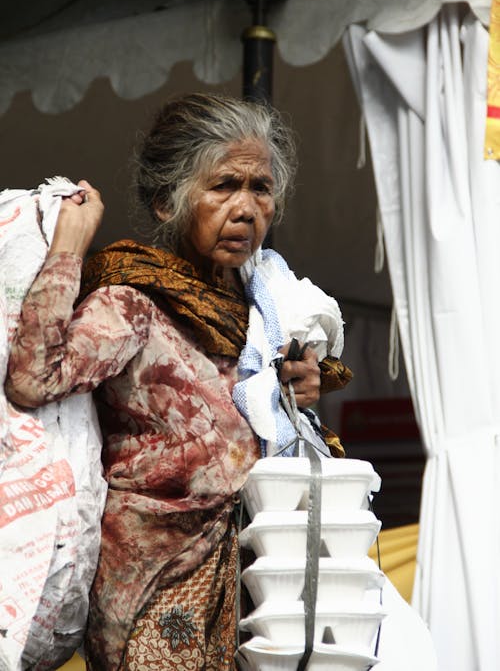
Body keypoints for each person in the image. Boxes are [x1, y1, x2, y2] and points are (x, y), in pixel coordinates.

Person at [5, 93, 347, 670]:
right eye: (223, 187)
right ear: (168, 201)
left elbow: (261, 414)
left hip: (253, 578)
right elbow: (35, 377)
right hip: (156, 585)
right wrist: (67, 250)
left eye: (260, 188)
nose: (246, 209)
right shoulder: (132, 301)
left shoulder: (264, 312)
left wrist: (298, 387)